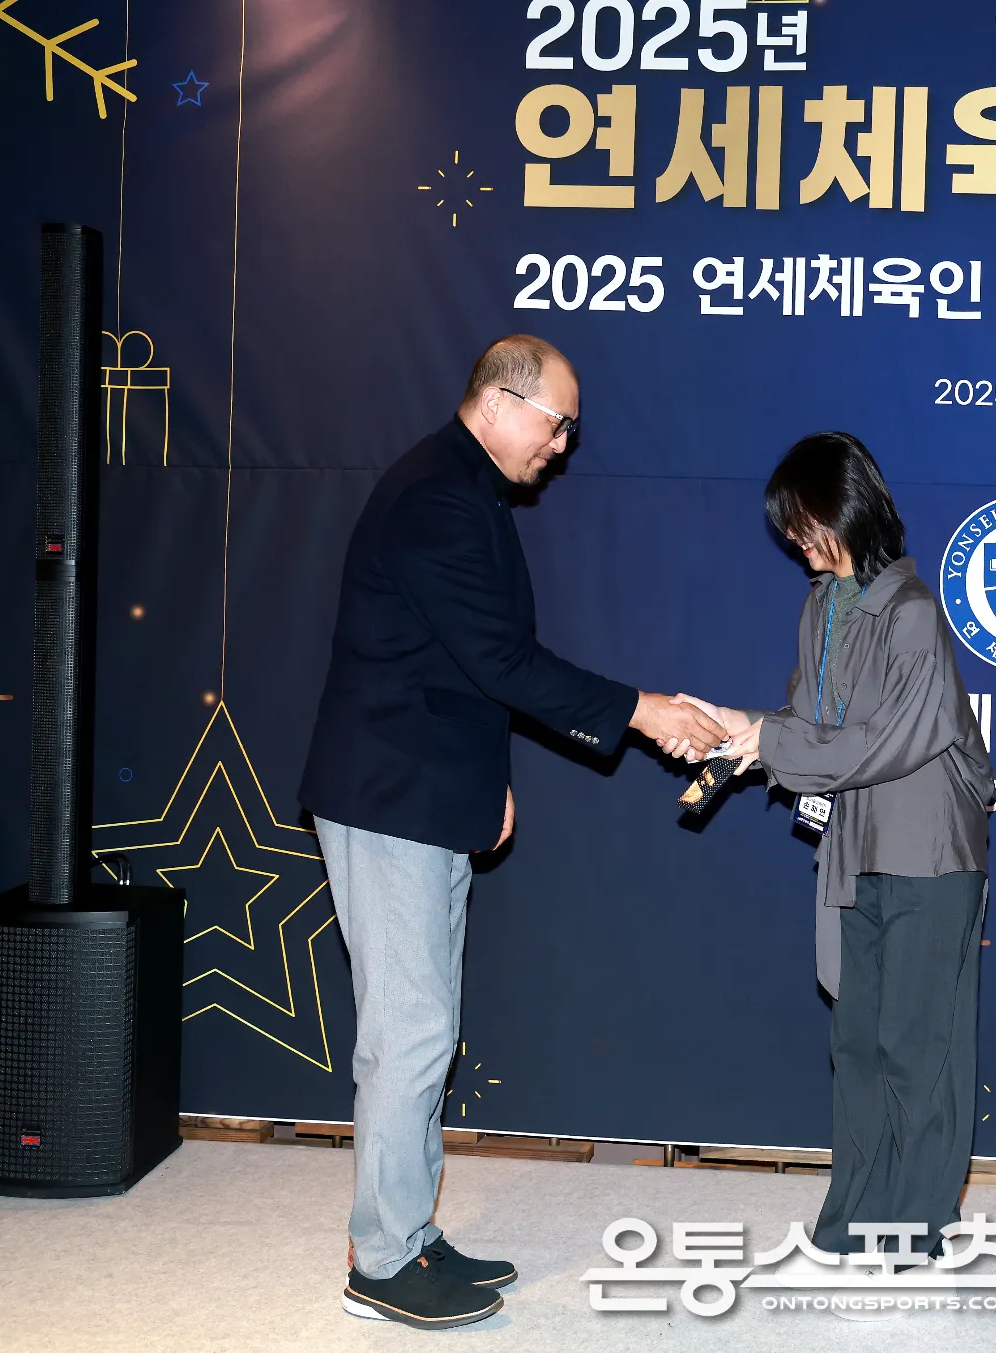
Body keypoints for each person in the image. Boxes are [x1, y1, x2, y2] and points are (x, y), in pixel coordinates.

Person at [298, 334, 726, 1331]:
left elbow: (450, 663)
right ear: (497, 402)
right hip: (389, 798)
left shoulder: (463, 489)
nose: (564, 444)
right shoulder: (438, 498)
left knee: (422, 1027)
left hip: (426, 791)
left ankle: (409, 1231)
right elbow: (501, 660)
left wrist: (487, 779)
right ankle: (382, 1263)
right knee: (407, 1034)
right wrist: (643, 710)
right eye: (556, 422)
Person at [678, 432, 995, 1268]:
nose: (795, 539)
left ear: (847, 508)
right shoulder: (822, 605)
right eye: (787, 525)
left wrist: (775, 740)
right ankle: (854, 1216)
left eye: (803, 519)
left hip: (928, 849)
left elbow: (891, 738)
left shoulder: (913, 609)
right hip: (855, 846)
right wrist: (742, 733)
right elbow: (810, 724)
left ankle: (914, 1228)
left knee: (917, 1047)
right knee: (856, 1042)